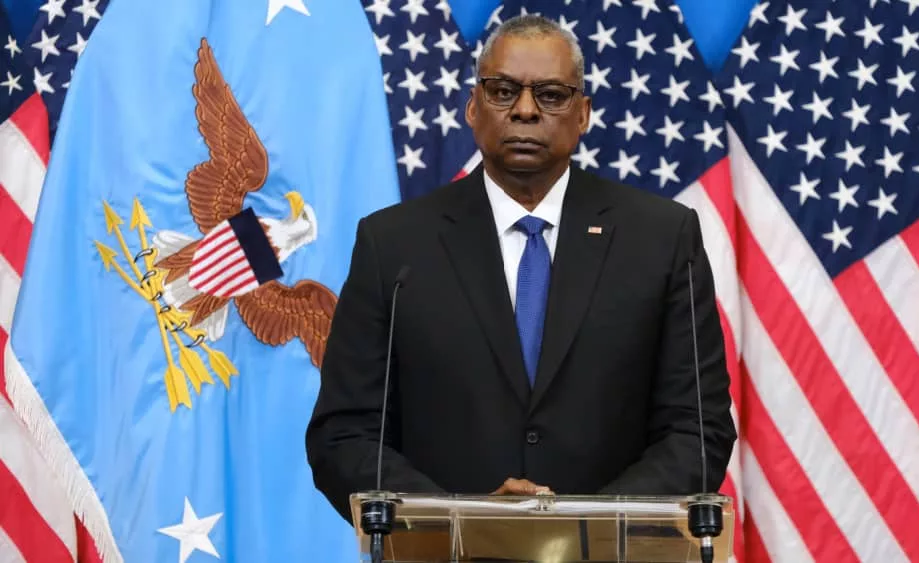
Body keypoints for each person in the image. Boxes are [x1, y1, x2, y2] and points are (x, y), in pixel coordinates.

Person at [305, 14, 736, 523]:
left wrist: (587, 525)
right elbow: (345, 434)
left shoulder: (661, 238)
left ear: (583, 114)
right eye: (503, 91)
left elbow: (698, 431)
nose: (526, 110)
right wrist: (461, 520)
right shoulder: (393, 245)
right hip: (446, 551)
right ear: (473, 106)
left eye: (551, 95)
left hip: (610, 550)